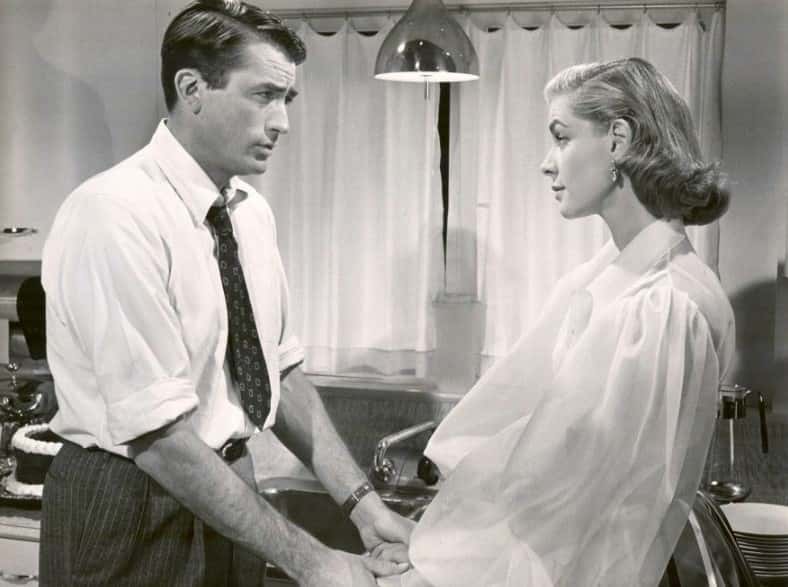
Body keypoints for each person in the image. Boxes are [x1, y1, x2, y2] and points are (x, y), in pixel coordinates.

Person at [39, 1, 412, 585]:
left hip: (229, 485)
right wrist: (313, 562)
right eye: (263, 95)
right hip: (130, 498)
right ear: (192, 89)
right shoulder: (113, 213)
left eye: (286, 99)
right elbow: (159, 440)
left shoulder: (250, 213)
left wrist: (365, 507)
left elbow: (280, 374)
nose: (282, 122)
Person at [375, 57, 735, 587]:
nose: (547, 164)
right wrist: (435, 549)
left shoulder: (659, 304)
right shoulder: (619, 278)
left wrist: (432, 564)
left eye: (561, 138)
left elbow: (572, 516)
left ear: (618, 141)